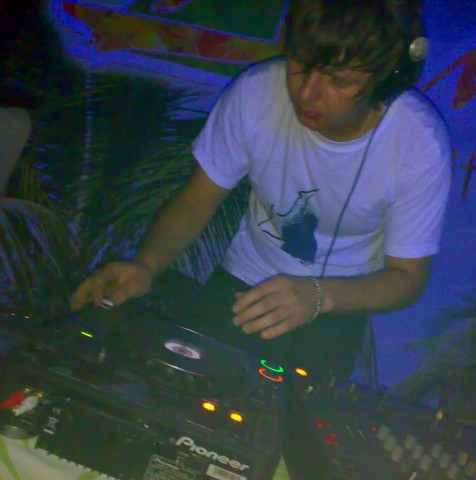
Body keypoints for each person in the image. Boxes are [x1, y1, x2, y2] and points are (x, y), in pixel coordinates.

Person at [70, 0, 451, 384]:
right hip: (241, 287)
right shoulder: (255, 93)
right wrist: (147, 264)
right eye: (300, 65)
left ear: (387, 79)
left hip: (337, 306)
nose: (307, 93)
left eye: (338, 81)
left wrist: (318, 296)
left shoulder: (418, 144)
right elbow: (197, 201)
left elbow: (407, 279)